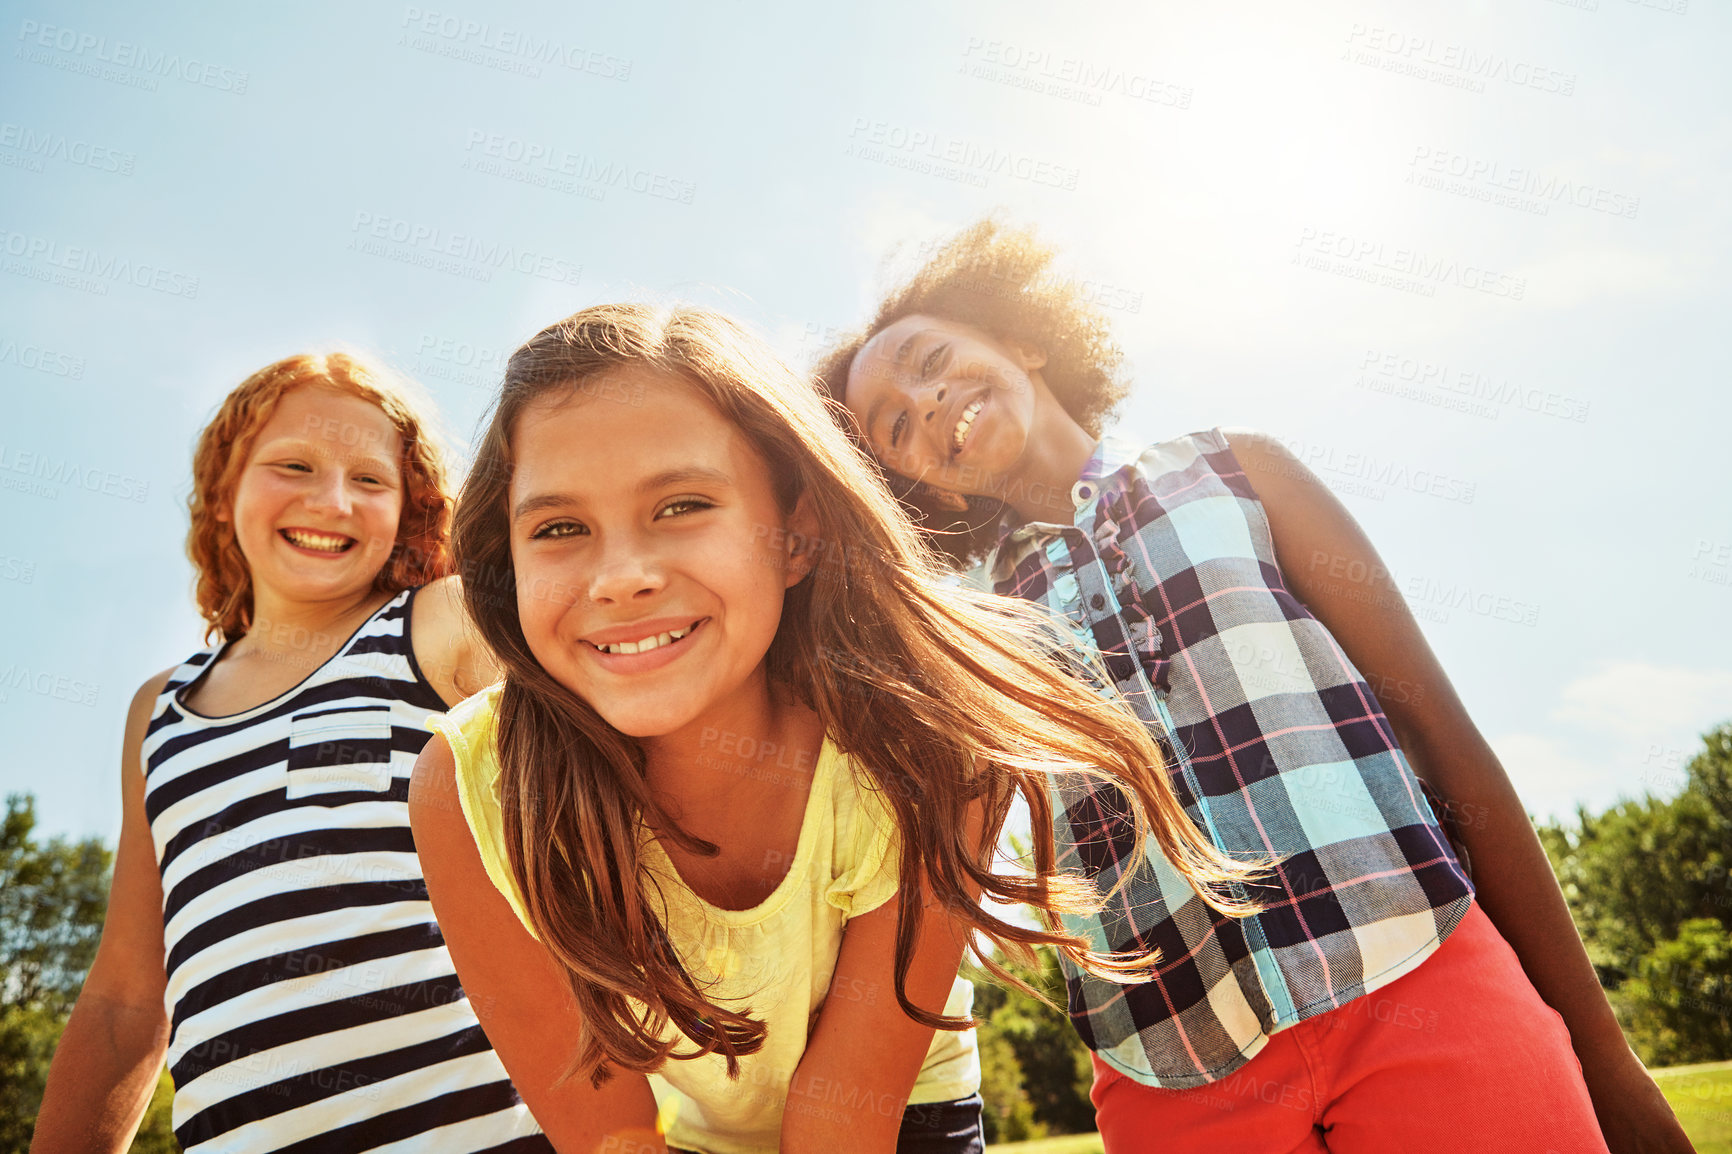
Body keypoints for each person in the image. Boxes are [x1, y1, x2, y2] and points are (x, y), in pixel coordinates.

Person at [815, 220, 1695, 1153]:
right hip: (1171, 1062)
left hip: (1416, 972)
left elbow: (1441, 736)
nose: (926, 400)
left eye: (929, 359)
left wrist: (1607, 1058)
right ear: (925, 489)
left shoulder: (1238, 471)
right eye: (896, 427)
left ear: (1022, 339)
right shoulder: (965, 622)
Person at [406, 303, 1265, 1154]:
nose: (621, 576)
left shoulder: (925, 749)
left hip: (900, 1111)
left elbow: (840, 1115)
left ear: (797, 535)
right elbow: (613, 1133)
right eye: (559, 528)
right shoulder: (470, 787)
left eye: (683, 505)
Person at [31, 354, 553, 1153]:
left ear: (413, 511)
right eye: (293, 466)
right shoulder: (159, 711)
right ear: (224, 490)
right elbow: (125, 997)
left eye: (371, 481)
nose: (332, 501)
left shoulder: (440, 626)